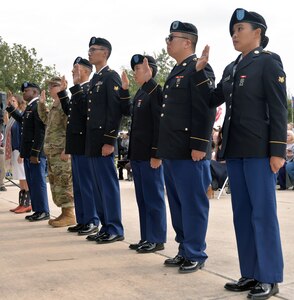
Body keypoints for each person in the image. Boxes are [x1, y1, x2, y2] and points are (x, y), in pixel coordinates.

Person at [195, 8, 287, 299]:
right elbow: (212, 99)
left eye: (240, 29)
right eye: (232, 30)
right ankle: (250, 273)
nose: (234, 34)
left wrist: (278, 151)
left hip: (260, 152)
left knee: (263, 215)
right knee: (242, 215)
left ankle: (269, 277)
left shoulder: (269, 64)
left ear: (258, 32)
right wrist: (200, 72)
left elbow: (279, 109)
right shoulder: (232, 67)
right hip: (235, 150)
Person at [142, 21, 215, 272]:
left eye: (171, 38)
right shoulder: (176, 71)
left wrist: (199, 144)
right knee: (177, 203)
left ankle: (196, 252)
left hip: (189, 150)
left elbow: (206, 108)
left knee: (193, 203)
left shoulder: (199, 68)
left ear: (187, 42)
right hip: (173, 149)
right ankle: (184, 249)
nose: (167, 42)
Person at [70, 37, 124, 244]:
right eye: (89, 49)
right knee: (97, 188)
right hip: (92, 143)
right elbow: (85, 111)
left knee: (107, 187)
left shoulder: (111, 77)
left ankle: (115, 228)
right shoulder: (94, 80)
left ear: (105, 53)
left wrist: (110, 140)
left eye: (94, 49)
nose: (90, 53)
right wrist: (75, 87)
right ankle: (105, 226)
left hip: (104, 143)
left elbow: (115, 110)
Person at [120, 54, 167, 253]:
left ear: (150, 70)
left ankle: (156, 239)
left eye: (138, 69)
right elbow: (127, 112)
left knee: (154, 198)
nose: (135, 73)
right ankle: (146, 236)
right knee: (143, 199)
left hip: (150, 155)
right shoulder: (140, 94)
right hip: (138, 154)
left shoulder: (156, 92)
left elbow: (159, 124)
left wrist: (156, 153)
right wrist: (123, 91)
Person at [58, 57, 100, 235]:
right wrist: (63, 93)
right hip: (76, 144)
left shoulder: (90, 88)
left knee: (87, 185)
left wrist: (74, 88)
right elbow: (70, 112)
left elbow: (84, 110)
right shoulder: (78, 90)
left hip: (84, 143)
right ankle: (82, 219)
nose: (73, 71)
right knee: (79, 185)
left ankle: (92, 220)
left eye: (76, 68)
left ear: (85, 70)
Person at [6, 82, 50, 221]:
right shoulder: (30, 106)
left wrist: (35, 152)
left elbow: (40, 132)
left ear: (35, 92)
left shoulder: (38, 106)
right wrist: (10, 108)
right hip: (29, 153)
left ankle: (43, 210)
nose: (24, 93)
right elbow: (23, 121)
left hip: (35, 153)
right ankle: (37, 210)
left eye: (27, 91)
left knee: (38, 182)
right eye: (24, 91)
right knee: (32, 182)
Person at [37, 77, 75, 227]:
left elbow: (70, 128)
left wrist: (68, 149)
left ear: (61, 87)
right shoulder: (55, 105)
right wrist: (41, 104)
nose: (51, 88)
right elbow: (46, 120)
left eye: (54, 85)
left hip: (61, 152)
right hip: (52, 152)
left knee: (64, 182)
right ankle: (64, 212)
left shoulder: (65, 105)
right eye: (50, 85)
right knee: (56, 183)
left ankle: (70, 214)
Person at [4, 93, 31, 213]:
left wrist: (22, 153)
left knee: (24, 177)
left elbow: (23, 136)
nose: (11, 103)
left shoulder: (20, 116)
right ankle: (21, 202)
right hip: (14, 150)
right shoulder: (12, 118)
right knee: (20, 178)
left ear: (19, 103)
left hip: (20, 151)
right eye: (10, 101)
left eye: (13, 101)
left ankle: (27, 203)